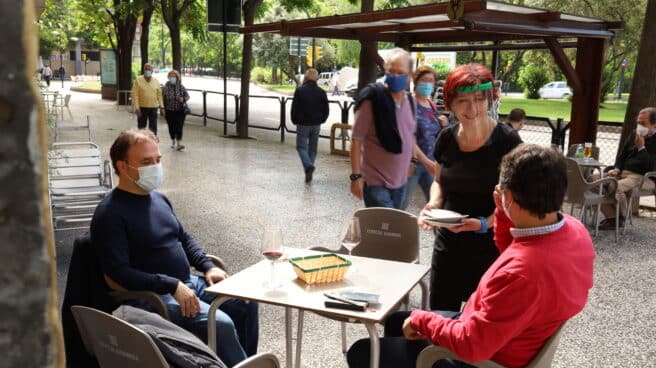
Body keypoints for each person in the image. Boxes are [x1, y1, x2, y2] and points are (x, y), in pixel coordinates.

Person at [346, 144, 595, 368]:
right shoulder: (574, 231)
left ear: (508, 196)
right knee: (397, 321)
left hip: (485, 357)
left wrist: (423, 321)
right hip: (511, 334)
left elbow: (472, 345)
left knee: (362, 351)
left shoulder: (522, 273)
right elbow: (510, 248)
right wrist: (503, 210)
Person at [90, 129, 258, 367]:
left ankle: (244, 362)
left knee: (246, 302)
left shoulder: (158, 199)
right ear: (123, 166)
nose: (155, 167)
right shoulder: (110, 214)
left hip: (186, 284)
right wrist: (171, 285)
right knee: (220, 323)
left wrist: (207, 266)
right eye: (146, 162)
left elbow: (184, 238)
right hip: (152, 297)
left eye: (158, 160)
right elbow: (118, 273)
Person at [418, 63, 522, 311]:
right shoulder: (446, 137)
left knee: (483, 320)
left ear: (490, 100)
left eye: (479, 99)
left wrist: (484, 223)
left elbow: (517, 198)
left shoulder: (507, 141)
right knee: (442, 315)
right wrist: (433, 204)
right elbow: (439, 181)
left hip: (492, 246)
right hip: (449, 245)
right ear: (451, 103)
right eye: (463, 101)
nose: (472, 108)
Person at [350, 48, 416, 209]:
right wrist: (356, 176)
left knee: (391, 231)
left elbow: (410, 135)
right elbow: (356, 140)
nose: (394, 76)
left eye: (400, 72)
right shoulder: (373, 100)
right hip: (375, 183)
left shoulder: (411, 102)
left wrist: (412, 160)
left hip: (401, 182)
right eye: (391, 71)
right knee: (386, 229)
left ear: (410, 76)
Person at [598, 107, 656, 229]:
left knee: (616, 186)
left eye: (643, 123)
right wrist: (617, 169)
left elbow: (651, 166)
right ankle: (612, 217)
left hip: (642, 176)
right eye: (638, 122)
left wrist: (641, 148)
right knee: (594, 180)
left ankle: (621, 218)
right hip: (623, 172)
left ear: (654, 124)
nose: (639, 126)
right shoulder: (634, 134)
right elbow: (622, 155)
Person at [402, 65, 449, 209]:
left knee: (437, 205)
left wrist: (444, 124)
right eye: (424, 80)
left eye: (431, 81)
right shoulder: (408, 103)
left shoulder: (431, 104)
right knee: (400, 204)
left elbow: (434, 134)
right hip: (413, 163)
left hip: (431, 162)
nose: (428, 84)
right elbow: (408, 137)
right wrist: (426, 162)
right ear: (416, 82)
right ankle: (391, 230)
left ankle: (439, 230)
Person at [290, 68, 329, 183]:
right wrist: (322, 119)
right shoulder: (321, 92)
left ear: (306, 77)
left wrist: (294, 119)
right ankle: (309, 167)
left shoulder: (300, 90)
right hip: (316, 124)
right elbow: (326, 110)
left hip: (302, 124)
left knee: (301, 147)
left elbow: (294, 108)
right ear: (317, 78)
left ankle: (308, 166)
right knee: (313, 148)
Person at [132, 63, 164, 135]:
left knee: (153, 127)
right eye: (146, 69)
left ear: (152, 70)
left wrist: (162, 107)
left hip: (153, 107)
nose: (147, 70)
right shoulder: (138, 80)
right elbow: (135, 95)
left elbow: (159, 95)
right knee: (141, 127)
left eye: (149, 69)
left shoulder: (156, 81)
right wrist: (137, 108)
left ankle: (153, 142)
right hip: (142, 108)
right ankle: (141, 142)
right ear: (144, 70)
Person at [162, 69, 190, 151]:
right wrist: (162, 108)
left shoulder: (181, 87)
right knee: (171, 127)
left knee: (179, 126)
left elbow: (188, 96)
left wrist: (183, 99)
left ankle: (179, 143)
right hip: (169, 111)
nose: (172, 77)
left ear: (177, 77)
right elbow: (162, 99)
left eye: (173, 76)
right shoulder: (165, 87)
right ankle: (173, 139)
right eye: (170, 76)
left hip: (180, 111)